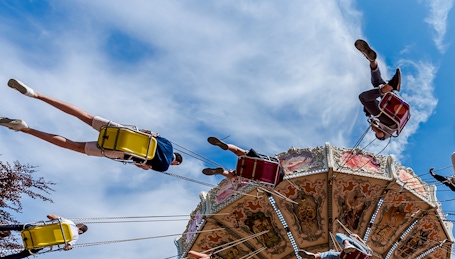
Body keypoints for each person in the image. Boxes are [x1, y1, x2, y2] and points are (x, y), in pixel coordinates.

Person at [0, 79, 182, 172]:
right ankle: (25, 128)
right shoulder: (164, 166)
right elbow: (144, 166)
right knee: (73, 145)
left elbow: (148, 132)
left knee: (84, 115)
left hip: (123, 132)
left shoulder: (168, 143)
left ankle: (35, 94)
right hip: (121, 150)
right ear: (174, 162)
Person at [354, 39, 402, 140]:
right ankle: (390, 86)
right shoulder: (385, 135)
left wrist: (370, 115)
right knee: (363, 98)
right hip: (390, 119)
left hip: (392, 108)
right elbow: (380, 135)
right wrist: (375, 127)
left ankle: (372, 62)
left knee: (377, 84)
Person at [0, 214, 88, 259]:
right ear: (80, 231)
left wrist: (60, 219)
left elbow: (49, 216)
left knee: (17, 226)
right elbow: (66, 247)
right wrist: (68, 247)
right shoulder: (75, 237)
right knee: (24, 254)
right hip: (38, 243)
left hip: (34, 230)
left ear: (77, 225)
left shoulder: (69, 222)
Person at [201, 137, 284, 183]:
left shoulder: (276, 166)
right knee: (233, 175)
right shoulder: (271, 179)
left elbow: (274, 161)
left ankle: (227, 146)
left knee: (238, 151)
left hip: (256, 162)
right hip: (253, 173)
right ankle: (223, 172)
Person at [299, 233, 371, 259]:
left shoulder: (366, 249)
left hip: (362, 253)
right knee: (330, 253)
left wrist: (357, 237)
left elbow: (366, 246)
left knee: (338, 235)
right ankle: (315, 256)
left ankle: (347, 244)